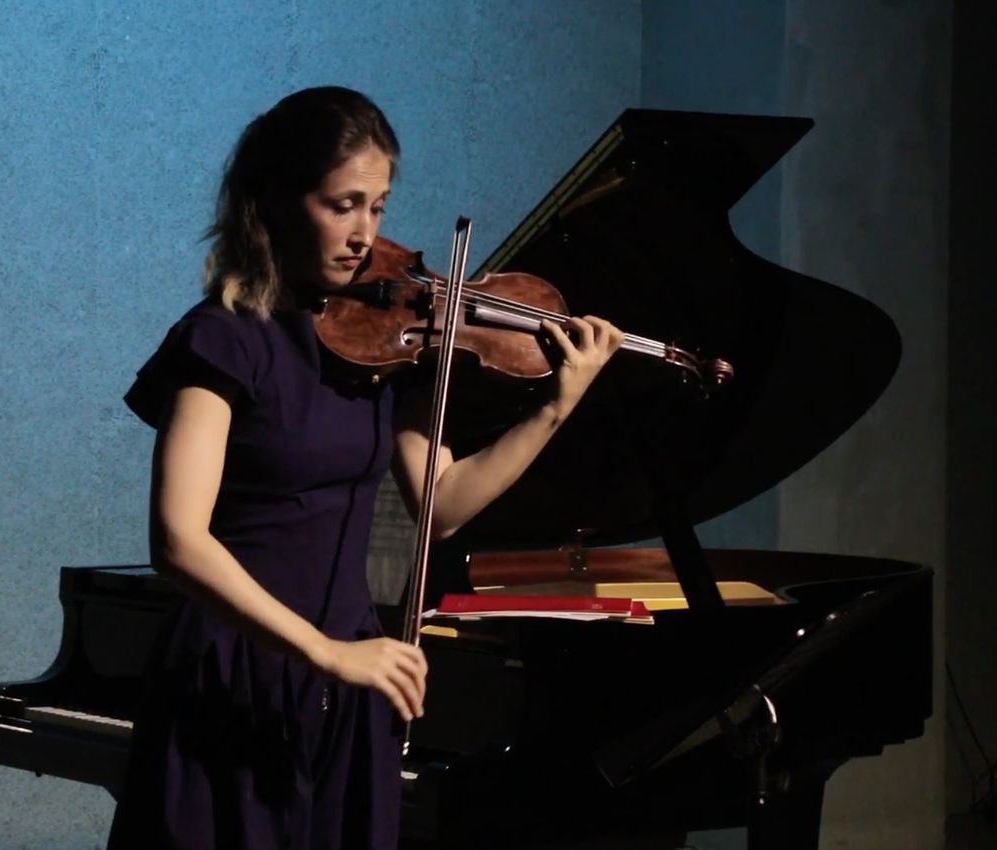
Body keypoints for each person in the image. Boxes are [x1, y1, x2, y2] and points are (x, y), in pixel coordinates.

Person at [109, 86, 623, 850]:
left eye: (377, 207)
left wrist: (555, 407)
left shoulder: (382, 346)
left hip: (350, 677)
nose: (364, 235)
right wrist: (326, 652)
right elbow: (178, 541)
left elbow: (440, 506)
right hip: (238, 667)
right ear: (274, 201)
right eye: (342, 205)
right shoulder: (222, 340)